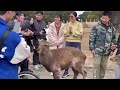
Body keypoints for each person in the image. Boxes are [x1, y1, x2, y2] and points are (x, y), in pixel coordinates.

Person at [0, 11, 31, 79]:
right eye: (21, 15)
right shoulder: (16, 23)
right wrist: (21, 34)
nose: (22, 17)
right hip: (6, 73)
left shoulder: (20, 23)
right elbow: (15, 36)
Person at [89, 11, 117, 79]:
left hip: (106, 52)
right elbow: (92, 38)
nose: (103, 19)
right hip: (97, 51)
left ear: (109, 18)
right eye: (102, 18)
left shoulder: (112, 28)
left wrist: (112, 50)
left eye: (105, 18)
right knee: (96, 67)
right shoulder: (96, 27)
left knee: (103, 68)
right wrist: (92, 49)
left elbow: (113, 40)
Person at [62, 11, 83, 78]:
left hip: (77, 42)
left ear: (75, 17)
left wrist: (73, 32)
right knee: (67, 57)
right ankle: (66, 71)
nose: (70, 18)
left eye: (72, 16)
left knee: (77, 58)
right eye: (70, 16)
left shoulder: (79, 24)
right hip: (68, 42)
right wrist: (69, 32)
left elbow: (80, 33)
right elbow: (65, 33)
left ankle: (77, 71)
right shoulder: (67, 24)